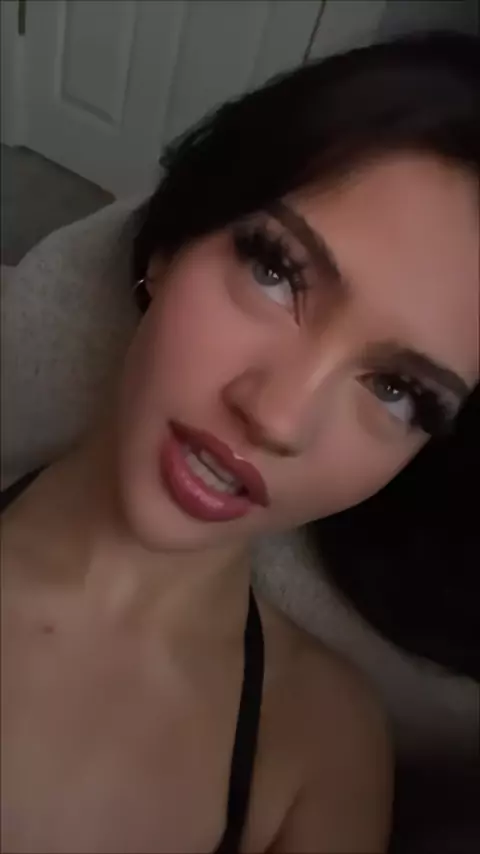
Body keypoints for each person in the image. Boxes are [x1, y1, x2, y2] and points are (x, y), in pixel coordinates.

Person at [1, 31, 478, 854]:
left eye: (398, 391)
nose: (278, 418)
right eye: (275, 270)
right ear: (171, 242)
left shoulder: (323, 750)